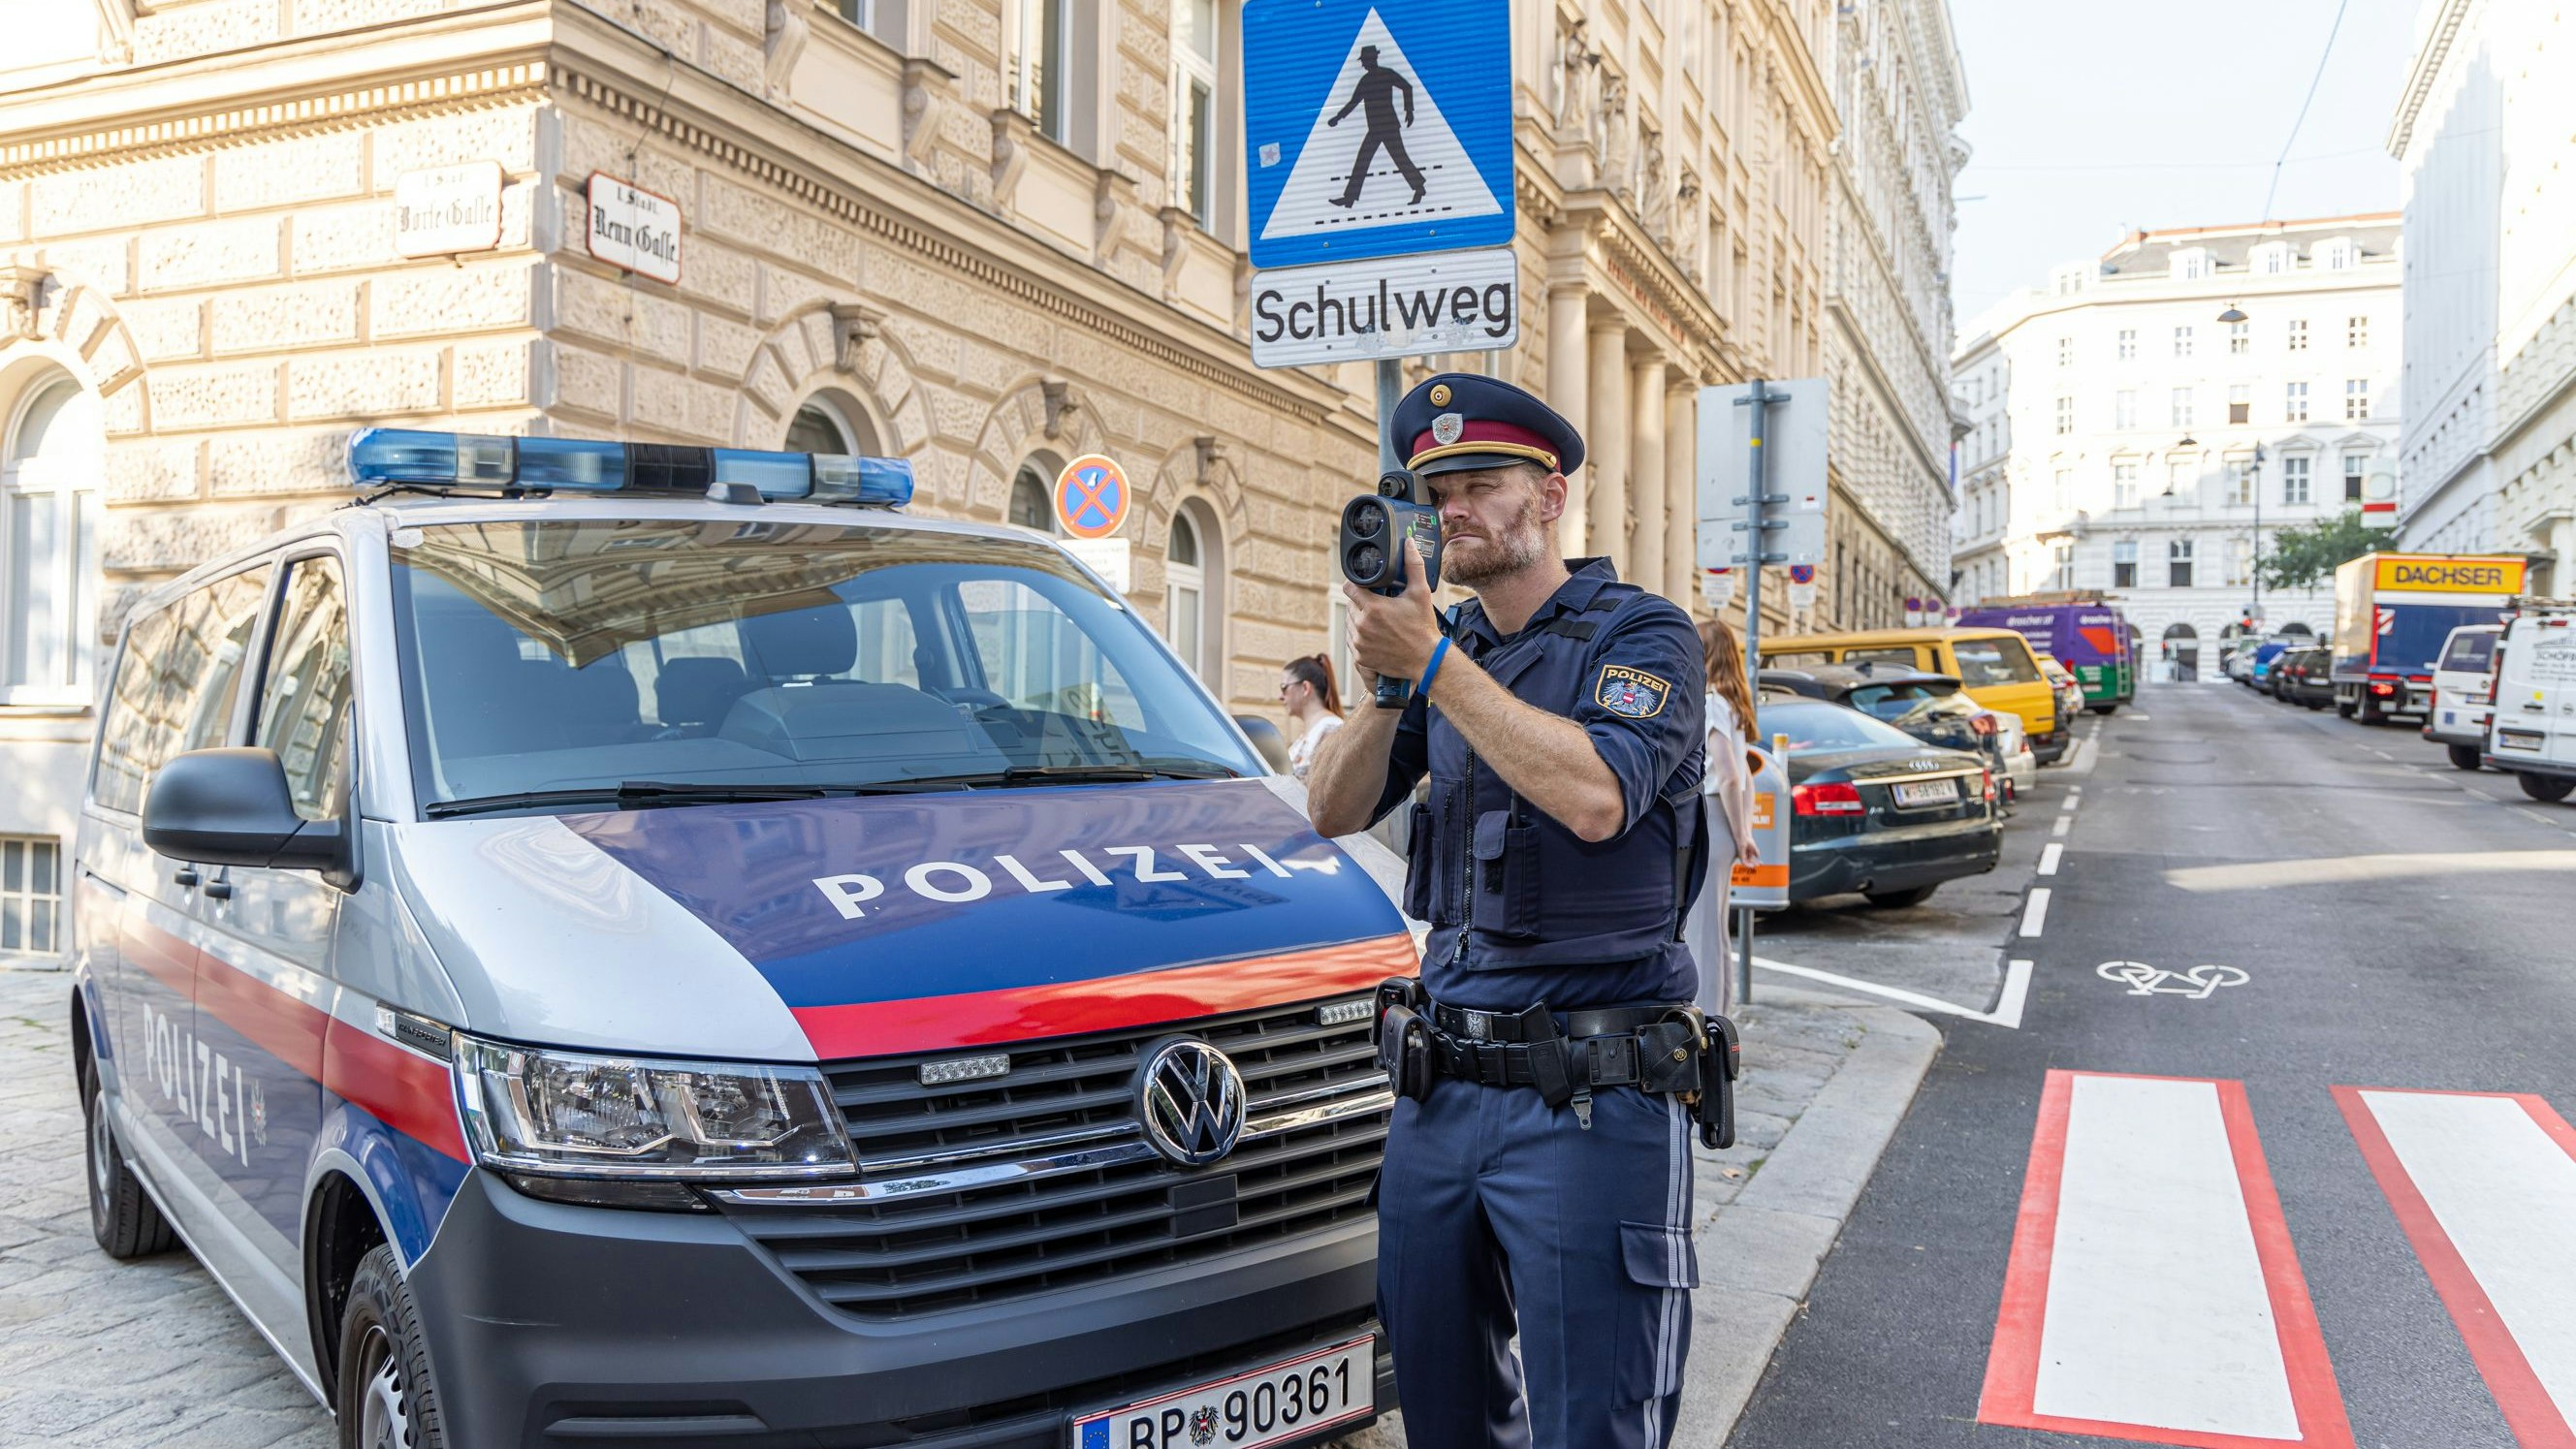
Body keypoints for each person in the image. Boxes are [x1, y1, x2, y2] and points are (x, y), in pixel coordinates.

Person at [1305, 372, 1710, 1449]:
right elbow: (1330, 805)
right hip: (1439, 1098)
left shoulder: (1642, 635)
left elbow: (1594, 797)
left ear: (1551, 495)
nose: (1454, 514)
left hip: (1586, 1101)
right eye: (1437, 494)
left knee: (1592, 1422)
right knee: (1443, 1417)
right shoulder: (1449, 662)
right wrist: (1394, 683)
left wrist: (1433, 663)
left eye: (1481, 484)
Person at [1693, 617, 1765, 1018]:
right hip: (1726, 818)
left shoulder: (1712, 701)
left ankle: (1706, 1020)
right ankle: (1721, 1012)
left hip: (1711, 813)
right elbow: (1745, 775)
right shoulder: (1732, 701)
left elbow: (1730, 774)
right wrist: (1745, 831)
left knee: (1703, 927)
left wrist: (1740, 834)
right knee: (1715, 926)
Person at [1325, 45, 1425, 209]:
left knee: (1399, 159)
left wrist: (1409, 110)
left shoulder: (1385, 74)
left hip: (1388, 127)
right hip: (1376, 128)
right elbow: (1353, 102)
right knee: (1364, 161)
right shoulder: (1366, 80)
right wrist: (1337, 118)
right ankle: (1349, 198)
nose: (1363, 65)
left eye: (1364, 61)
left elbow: (1407, 87)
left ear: (1372, 59)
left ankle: (1419, 188)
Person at [1280, 653, 1345, 780]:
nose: (1280, 696)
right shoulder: (1317, 731)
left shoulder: (1331, 729)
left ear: (1305, 688)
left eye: (1284, 688)